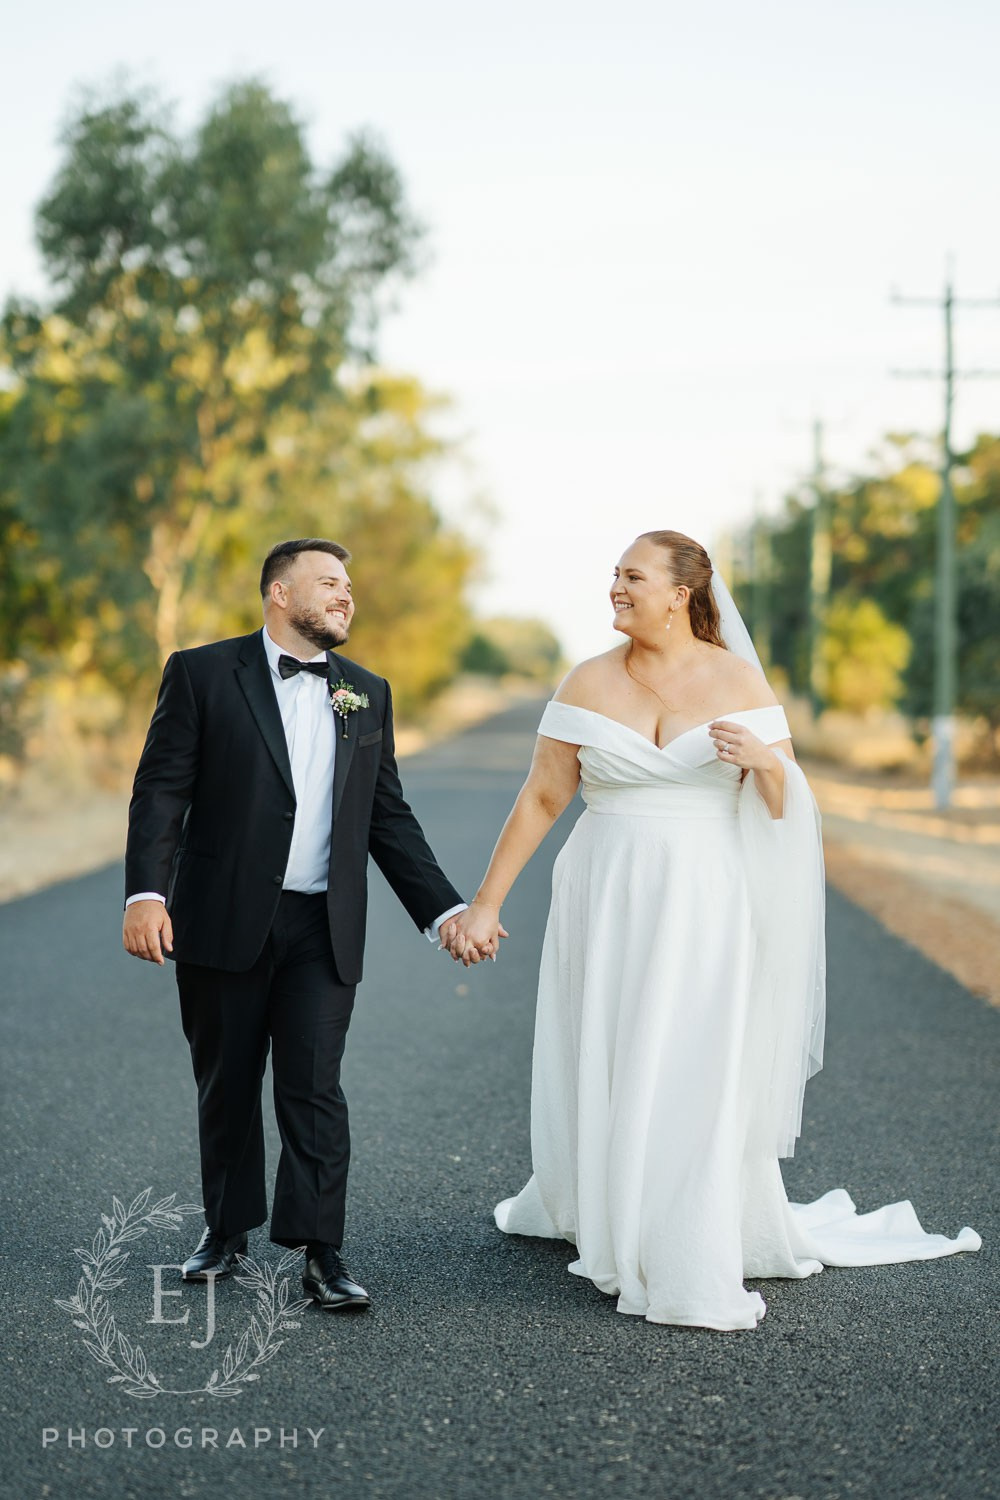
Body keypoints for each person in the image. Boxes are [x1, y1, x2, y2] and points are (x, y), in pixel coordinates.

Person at [441, 530, 980, 1330]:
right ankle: (610, 1202)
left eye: (632, 575)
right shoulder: (588, 680)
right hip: (607, 889)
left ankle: (685, 1234)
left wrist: (768, 764)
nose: (615, 587)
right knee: (613, 1046)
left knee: (693, 1054)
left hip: (706, 896)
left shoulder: (737, 680)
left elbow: (781, 808)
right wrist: (485, 903)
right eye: (615, 574)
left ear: (680, 594)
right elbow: (544, 797)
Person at [124, 538, 476, 1313]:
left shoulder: (366, 691)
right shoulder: (203, 673)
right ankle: (226, 1228)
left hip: (325, 923)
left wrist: (446, 910)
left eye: (349, 584)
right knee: (227, 1081)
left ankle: (322, 1252)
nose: (345, 595)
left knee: (315, 1086)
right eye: (328, 583)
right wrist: (145, 894)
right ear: (279, 594)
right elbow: (160, 794)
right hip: (220, 918)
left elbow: (388, 817)